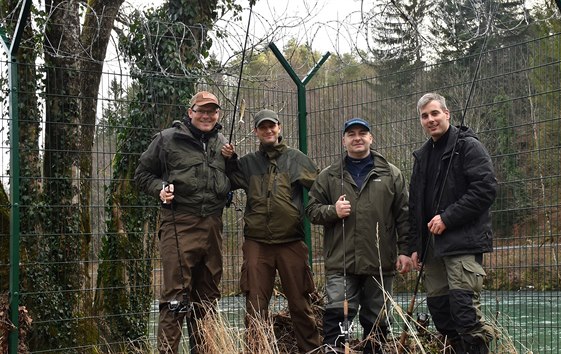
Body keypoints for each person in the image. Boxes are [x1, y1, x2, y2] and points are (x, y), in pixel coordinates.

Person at [134, 91, 233, 354]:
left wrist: (231, 166)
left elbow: (230, 178)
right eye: (201, 110)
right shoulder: (167, 140)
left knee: (207, 299)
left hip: (213, 226)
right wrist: (160, 188)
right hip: (179, 223)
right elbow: (142, 174)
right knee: (175, 298)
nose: (206, 116)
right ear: (190, 112)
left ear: (218, 115)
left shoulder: (222, 143)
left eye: (212, 111)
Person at [306, 118, 415, 354]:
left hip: (380, 263)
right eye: (351, 134)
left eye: (362, 133)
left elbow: (404, 217)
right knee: (337, 324)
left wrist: (405, 251)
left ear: (371, 138)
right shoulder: (329, 176)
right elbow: (311, 211)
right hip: (341, 264)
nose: (357, 137)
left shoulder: (391, 174)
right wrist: (332, 211)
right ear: (344, 140)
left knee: (377, 326)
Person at [224, 109, 322, 353]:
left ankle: (312, 350)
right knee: (255, 307)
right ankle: (257, 349)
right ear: (256, 132)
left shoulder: (297, 159)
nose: (268, 130)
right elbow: (227, 180)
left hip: (291, 241)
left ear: (279, 128)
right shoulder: (247, 163)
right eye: (262, 127)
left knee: (300, 304)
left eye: (272, 126)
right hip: (257, 243)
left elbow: (321, 186)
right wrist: (228, 159)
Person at [409, 93, 497, 354]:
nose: (430, 120)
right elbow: (416, 207)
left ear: (447, 114)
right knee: (442, 315)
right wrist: (416, 245)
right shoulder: (422, 156)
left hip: (462, 244)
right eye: (425, 116)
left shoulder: (468, 146)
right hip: (432, 250)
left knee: (465, 315)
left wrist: (448, 218)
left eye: (435, 113)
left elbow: (485, 189)